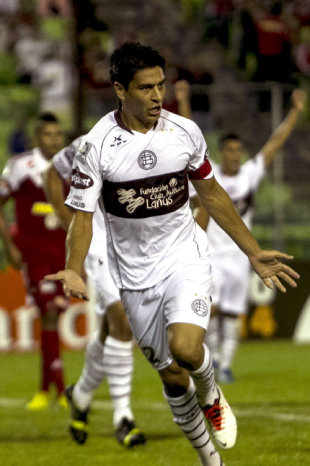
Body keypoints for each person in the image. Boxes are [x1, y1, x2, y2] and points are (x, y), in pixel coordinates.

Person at [46, 42, 300, 466]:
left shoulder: (184, 132)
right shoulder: (96, 147)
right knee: (171, 377)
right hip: (135, 278)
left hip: (185, 257)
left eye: (161, 85)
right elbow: (84, 218)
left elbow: (212, 194)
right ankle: (210, 461)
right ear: (120, 90)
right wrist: (74, 268)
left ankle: (212, 392)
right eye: (146, 88)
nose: (157, 96)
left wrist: (253, 252)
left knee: (186, 349)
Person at [43, 137, 146, 447]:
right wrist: (64, 216)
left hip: (137, 247)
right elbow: (53, 171)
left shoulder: (155, 139)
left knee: (109, 329)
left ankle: (82, 395)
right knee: (122, 323)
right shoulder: (92, 139)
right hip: (97, 241)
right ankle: (123, 418)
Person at [198, 89, 306, 384]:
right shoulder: (211, 177)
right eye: (229, 151)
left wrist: (295, 110)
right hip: (211, 256)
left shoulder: (249, 175)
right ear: (222, 153)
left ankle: (226, 365)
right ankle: (210, 362)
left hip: (239, 258)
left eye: (237, 151)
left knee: (232, 315)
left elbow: (275, 144)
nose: (234, 155)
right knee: (211, 312)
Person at [0, 112, 68, 410]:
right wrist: (10, 248)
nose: (54, 140)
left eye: (57, 134)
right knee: (50, 312)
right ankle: (61, 389)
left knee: (54, 316)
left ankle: (46, 388)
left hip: (63, 255)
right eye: (48, 134)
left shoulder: (72, 167)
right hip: (35, 254)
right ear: (36, 138)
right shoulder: (20, 167)